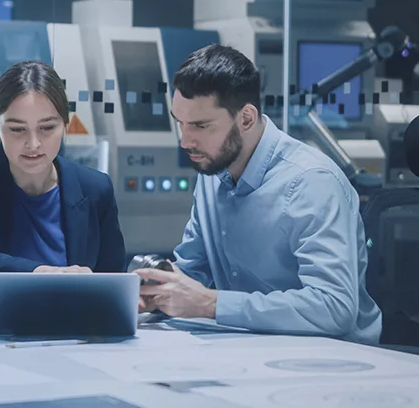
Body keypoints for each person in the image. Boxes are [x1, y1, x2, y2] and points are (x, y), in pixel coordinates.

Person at [136, 44, 382, 345]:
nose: (185, 141)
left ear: (247, 118)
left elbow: (334, 308)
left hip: (333, 358)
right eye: (180, 123)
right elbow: (192, 273)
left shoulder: (312, 182)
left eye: (201, 125)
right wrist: (158, 290)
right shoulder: (213, 172)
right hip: (248, 348)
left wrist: (211, 304)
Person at [0, 61, 127, 313]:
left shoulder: (95, 187)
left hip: (76, 330)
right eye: (17, 129)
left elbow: (112, 280)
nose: (33, 143)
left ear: (65, 124)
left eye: (47, 128)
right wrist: (47, 274)